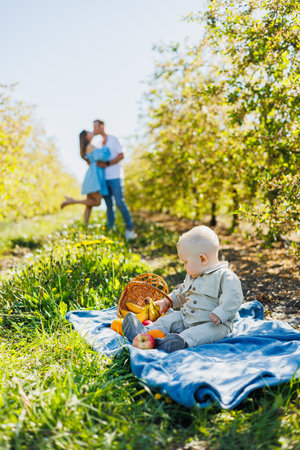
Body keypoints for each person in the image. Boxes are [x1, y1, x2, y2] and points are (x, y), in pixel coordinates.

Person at [122, 225, 244, 353]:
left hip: (214, 324)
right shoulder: (193, 275)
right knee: (167, 320)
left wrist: (221, 313)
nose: (184, 267)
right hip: (186, 317)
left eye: (185, 262)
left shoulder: (224, 275)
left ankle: (178, 342)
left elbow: (234, 296)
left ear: (203, 259)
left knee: (198, 334)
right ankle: (144, 333)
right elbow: (182, 291)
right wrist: (167, 301)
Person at [93, 119, 137, 240]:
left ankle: (130, 229)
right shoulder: (98, 144)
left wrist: (107, 164)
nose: (94, 130)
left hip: (115, 177)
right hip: (104, 179)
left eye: (95, 127)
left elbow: (121, 155)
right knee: (108, 206)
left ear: (101, 126)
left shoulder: (113, 139)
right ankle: (111, 230)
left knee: (119, 202)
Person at [61, 130, 110, 226]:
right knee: (96, 202)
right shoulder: (90, 146)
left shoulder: (87, 148)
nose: (92, 133)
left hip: (91, 176)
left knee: (89, 206)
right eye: (89, 133)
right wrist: (104, 145)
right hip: (95, 177)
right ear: (87, 137)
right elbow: (104, 156)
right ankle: (72, 201)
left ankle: (85, 226)